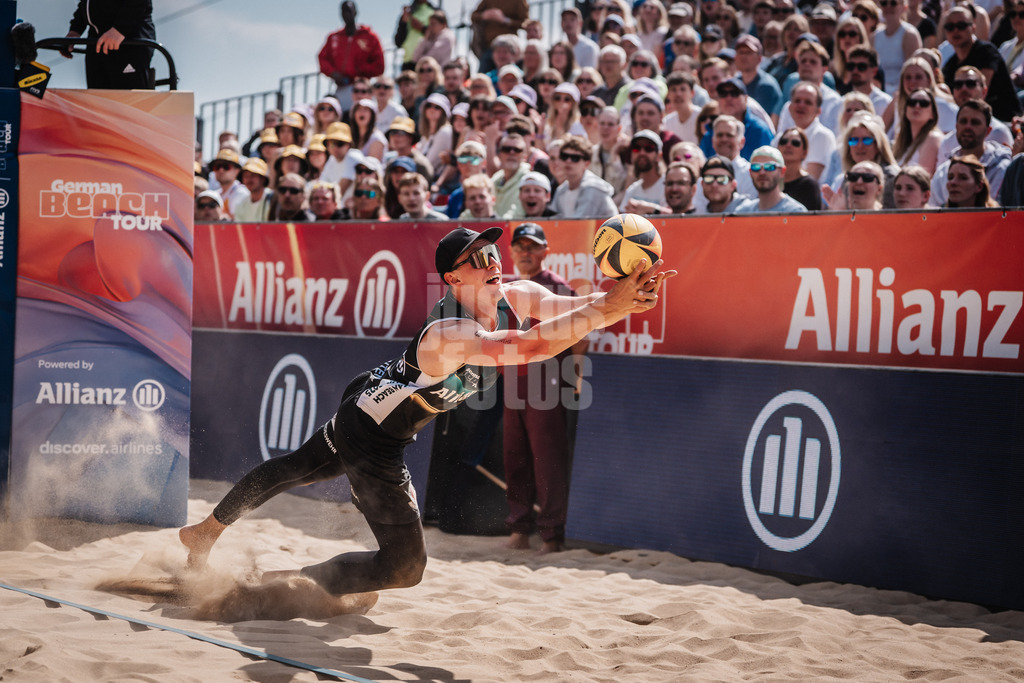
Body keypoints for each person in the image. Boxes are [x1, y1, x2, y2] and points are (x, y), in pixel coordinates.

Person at [179, 226, 672, 595]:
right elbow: (529, 348)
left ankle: (213, 539)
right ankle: (279, 581)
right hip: (372, 439)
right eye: (479, 257)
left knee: (297, 468)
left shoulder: (513, 294)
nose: (493, 260)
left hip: (372, 403)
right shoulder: (449, 333)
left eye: (493, 252)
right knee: (402, 568)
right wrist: (610, 310)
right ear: (454, 277)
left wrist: (619, 300)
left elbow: (573, 305)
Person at [502, 223, 589, 554]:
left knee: (548, 459)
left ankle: (552, 536)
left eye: (532, 246)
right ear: (511, 252)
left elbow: (581, 337)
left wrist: (570, 377)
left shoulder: (559, 288)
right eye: (520, 246)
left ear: (545, 251)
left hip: (549, 384)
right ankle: (519, 529)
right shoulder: (508, 289)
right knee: (514, 456)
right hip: (515, 383)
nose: (525, 252)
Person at [941, 5, 1022, 122]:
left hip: (1003, 121)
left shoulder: (986, 52)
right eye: (950, 27)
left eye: (961, 26)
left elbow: (976, 95)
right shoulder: (950, 64)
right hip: (970, 122)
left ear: (973, 27)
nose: (955, 31)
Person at [930, 98, 1012, 205]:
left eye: (975, 122)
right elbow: (933, 212)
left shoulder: (1001, 167)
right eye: (963, 121)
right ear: (956, 126)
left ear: (988, 131)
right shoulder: (942, 172)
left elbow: (996, 211)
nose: (968, 127)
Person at [61, 0, 156, 89]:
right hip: (97, 43)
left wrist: (119, 30)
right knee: (98, 101)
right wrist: (75, 30)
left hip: (129, 42)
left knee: (130, 102)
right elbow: (87, 4)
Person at [319, 1, 386, 110]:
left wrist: (358, 72)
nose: (347, 15)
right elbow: (322, 58)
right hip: (342, 88)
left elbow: (379, 66)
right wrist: (333, 73)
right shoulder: (334, 37)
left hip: (362, 88)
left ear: (356, 12)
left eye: (349, 11)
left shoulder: (370, 37)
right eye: (344, 11)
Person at [550, 135, 619, 218]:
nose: (568, 161)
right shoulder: (561, 190)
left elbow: (580, 225)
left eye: (575, 158)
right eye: (564, 156)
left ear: (586, 164)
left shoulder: (593, 187)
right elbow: (554, 221)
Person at [736, 145, 808, 212]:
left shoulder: (796, 212)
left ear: (782, 171)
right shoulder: (742, 212)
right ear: (750, 173)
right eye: (756, 167)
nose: (762, 172)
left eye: (770, 167)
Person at [875, 0, 924, 95]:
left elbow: (912, 72)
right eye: (884, 3)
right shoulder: (874, 37)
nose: (888, 7)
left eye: (893, 3)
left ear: (904, 7)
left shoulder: (910, 35)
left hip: (901, 94)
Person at [620, 130, 667, 211]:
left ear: (659, 155)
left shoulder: (669, 185)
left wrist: (649, 209)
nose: (642, 153)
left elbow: (675, 217)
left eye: (648, 148)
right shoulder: (632, 190)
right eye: (636, 148)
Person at [777, 127, 822, 210]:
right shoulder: (771, 181)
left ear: (804, 152)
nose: (788, 145)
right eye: (783, 141)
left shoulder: (809, 185)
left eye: (795, 143)